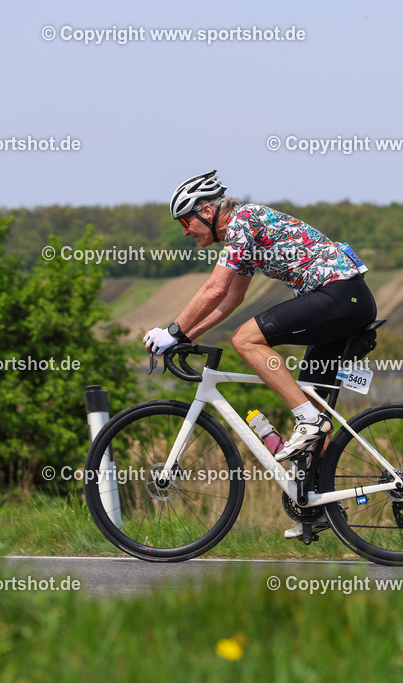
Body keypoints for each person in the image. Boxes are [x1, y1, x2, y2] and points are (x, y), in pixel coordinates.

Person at [143, 170, 377, 538]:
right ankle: (321, 507)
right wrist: (186, 336)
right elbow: (231, 298)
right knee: (311, 400)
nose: (185, 232)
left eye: (186, 222)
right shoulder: (244, 232)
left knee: (246, 340)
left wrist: (171, 331)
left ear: (207, 211)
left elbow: (214, 289)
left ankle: (308, 420)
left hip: (339, 295)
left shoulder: (243, 221)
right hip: (345, 301)